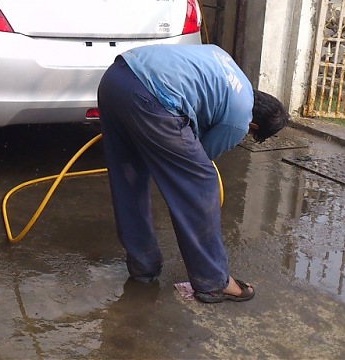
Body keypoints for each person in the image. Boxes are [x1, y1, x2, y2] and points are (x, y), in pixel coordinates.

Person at [97, 44, 289, 303]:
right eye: (252, 134)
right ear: (254, 125)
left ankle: (143, 266)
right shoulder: (239, 118)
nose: (247, 134)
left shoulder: (234, 74)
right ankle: (213, 281)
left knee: (129, 177)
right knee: (201, 184)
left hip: (115, 79)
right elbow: (200, 158)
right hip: (151, 97)